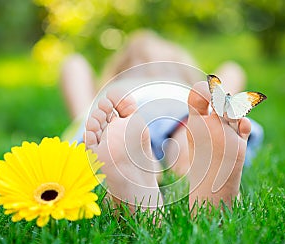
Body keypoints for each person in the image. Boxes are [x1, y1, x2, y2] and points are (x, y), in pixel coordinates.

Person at [60, 30, 264, 212]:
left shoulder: (194, 93)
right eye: (139, 62)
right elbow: (73, 64)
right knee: (186, 139)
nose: (151, 65)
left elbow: (74, 65)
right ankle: (180, 169)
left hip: (149, 118)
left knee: (194, 133)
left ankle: (149, 174)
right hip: (136, 121)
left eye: (164, 64)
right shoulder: (108, 101)